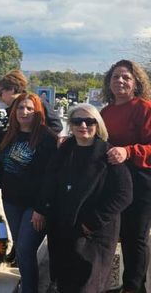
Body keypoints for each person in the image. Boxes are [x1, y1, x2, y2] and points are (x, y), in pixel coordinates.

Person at [0, 93, 57, 293]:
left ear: (38, 112)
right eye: (20, 108)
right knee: (21, 249)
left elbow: (51, 179)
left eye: (29, 109)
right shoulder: (8, 136)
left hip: (35, 206)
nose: (24, 112)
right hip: (11, 201)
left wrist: (41, 209)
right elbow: (2, 168)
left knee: (26, 249)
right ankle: (27, 284)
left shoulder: (47, 139)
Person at [41, 104, 132, 292]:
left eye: (89, 121)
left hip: (94, 234)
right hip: (64, 230)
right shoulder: (64, 150)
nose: (83, 125)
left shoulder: (109, 154)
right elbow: (50, 181)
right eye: (77, 121)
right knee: (65, 282)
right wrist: (41, 208)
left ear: (97, 125)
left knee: (88, 285)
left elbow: (124, 194)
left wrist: (92, 221)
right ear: (71, 126)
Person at [100, 59, 151, 293]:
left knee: (134, 237)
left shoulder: (144, 108)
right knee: (110, 233)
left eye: (126, 77)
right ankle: (112, 283)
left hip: (140, 181)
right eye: (115, 77)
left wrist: (128, 151)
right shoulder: (105, 112)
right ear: (108, 83)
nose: (120, 81)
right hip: (110, 181)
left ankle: (134, 287)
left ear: (136, 83)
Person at [0, 70, 62, 134]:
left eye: (0, 93)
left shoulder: (39, 103)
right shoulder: (9, 111)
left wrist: (35, 139)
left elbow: (57, 126)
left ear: (11, 89)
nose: (0, 98)